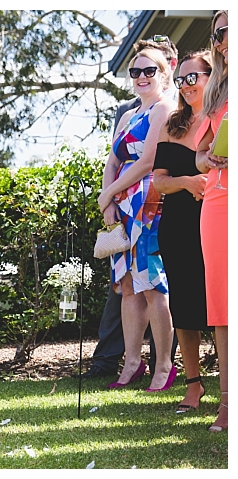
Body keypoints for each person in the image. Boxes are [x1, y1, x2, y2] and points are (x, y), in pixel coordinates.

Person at [80, 36, 180, 379]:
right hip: (122, 206)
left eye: (149, 70)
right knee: (126, 286)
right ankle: (132, 364)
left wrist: (110, 193)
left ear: (164, 73)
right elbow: (113, 161)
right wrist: (108, 201)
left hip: (150, 203)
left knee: (152, 285)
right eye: (135, 71)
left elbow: (148, 161)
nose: (141, 76)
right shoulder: (127, 115)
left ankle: (163, 366)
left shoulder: (165, 109)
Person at [152, 50, 213, 413]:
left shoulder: (223, 119)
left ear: (212, 76)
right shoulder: (171, 125)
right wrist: (187, 182)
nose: (186, 85)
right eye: (181, 79)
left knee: (220, 305)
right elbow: (158, 181)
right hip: (176, 226)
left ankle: (228, 390)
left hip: (216, 223)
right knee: (184, 307)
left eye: (193, 77)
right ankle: (193, 385)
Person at [194, 9, 227, 433]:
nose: (222, 39)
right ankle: (227, 404)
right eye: (217, 33)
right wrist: (209, 159)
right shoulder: (216, 91)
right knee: (222, 306)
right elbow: (199, 155)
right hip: (219, 201)